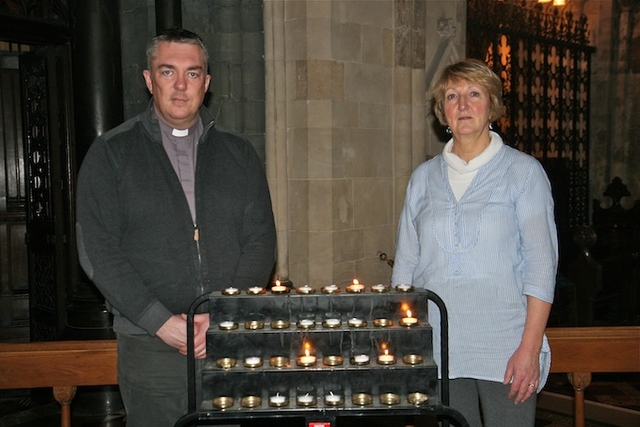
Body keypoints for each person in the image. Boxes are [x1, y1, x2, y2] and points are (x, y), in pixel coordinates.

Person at [76, 28, 276, 427]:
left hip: (228, 341)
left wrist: (221, 314)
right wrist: (159, 321)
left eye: (193, 73)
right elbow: (97, 251)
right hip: (151, 347)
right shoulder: (112, 153)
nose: (181, 85)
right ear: (149, 80)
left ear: (208, 82)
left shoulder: (238, 154)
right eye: (168, 72)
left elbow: (261, 242)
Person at [391, 59, 557, 427]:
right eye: (452, 96)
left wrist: (529, 348)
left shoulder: (523, 173)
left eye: (474, 94)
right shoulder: (422, 178)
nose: (463, 105)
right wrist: (406, 342)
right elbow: (405, 267)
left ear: (492, 106)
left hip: (506, 342)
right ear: (443, 112)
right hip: (441, 344)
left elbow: (542, 267)